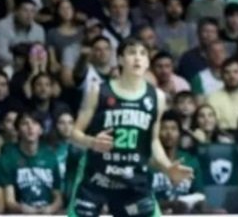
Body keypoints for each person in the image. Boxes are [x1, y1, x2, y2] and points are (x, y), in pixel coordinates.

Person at [68, 37, 194, 217]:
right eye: (131, 53)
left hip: (133, 182)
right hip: (96, 180)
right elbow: (74, 134)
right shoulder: (98, 91)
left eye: (142, 54)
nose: (137, 58)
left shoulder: (157, 97)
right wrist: (92, 142)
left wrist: (167, 168)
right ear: (120, 59)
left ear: (147, 62)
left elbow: (153, 142)